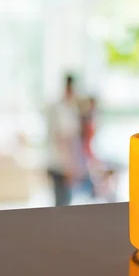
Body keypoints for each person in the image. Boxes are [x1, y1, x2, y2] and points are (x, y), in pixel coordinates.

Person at [46, 74, 84, 206]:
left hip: (65, 164)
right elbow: (62, 140)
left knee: (65, 202)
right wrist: (69, 166)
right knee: (62, 204)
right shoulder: (60, 109)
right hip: (60, 165)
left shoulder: (69, 108)